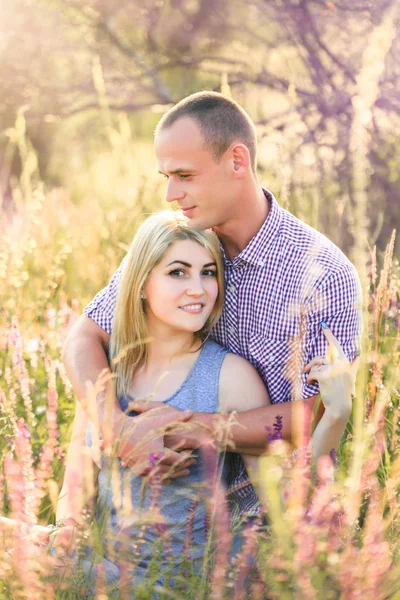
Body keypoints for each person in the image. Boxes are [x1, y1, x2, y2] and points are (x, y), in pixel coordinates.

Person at [63, 91, 362, 518]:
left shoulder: (323, 274)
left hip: (271, 517)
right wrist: (118, 428)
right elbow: (86, 333)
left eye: (184, 174)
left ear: (237, 161)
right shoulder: (182, 241)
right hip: (165, 502)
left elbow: (318, 412)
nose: (170, 193)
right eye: (165, 176)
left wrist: (184, 425)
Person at [51, 211, 352, 595]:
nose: (198, 288)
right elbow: (77, 476)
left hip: (177, 584)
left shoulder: (230, 377)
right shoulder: (108, 370)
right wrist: (67, 532)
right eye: (178, 272)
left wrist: (336, 418)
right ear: (141, 283)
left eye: (208, 272)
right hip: (101, 568)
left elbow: (281, 506)